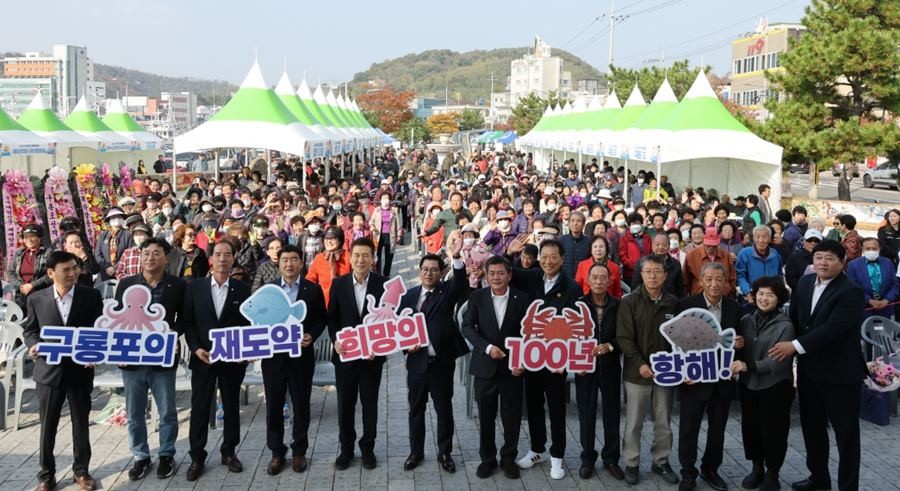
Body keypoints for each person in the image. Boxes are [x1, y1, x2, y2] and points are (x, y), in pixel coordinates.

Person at [769, 240, 865, 491]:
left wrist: (795, 346)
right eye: (819, 257)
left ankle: (848, 486)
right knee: (813, 430)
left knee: (846, 436)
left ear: (843, 261)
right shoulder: (805, 282)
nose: (823, 262)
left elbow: (834, 329)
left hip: (841, 376)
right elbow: (797, 320)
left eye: (830, 258)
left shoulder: (851, 291)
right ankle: (819, 478)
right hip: (810, 372)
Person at [23, 251, 104, 491]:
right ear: (50, 273)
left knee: (81, 424)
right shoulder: (37, 299)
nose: (73, 273)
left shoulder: (90, 296)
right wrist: (33, 345)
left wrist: (95, 354)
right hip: (48, 371)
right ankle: (46, 475)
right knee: (48, 426)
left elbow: (99, 329)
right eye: (66, 270)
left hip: (80, 370)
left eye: (75, 268)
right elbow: (30, 330)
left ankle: (82, 471)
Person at [505, 238, 581, 480]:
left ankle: (557, 456)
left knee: (557, 408)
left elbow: (575, 326)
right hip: (532, 355)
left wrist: (566, 360)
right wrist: (509, 254)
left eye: (553, 257)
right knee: (534, 405)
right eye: (544, 257)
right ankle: (537, 449)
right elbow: (508, 274)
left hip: (556, 359)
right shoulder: (532, 277)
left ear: (561, 258)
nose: (548, 261)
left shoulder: (571, 287)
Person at [116, 238, 186, 481]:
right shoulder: (126, 285)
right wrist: (118, 352)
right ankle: (140, 456)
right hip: (132, 359)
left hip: (161, 358)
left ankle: (166, 454)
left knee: (167, 410)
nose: (150, 257)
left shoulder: (177, 285)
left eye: (156, 253)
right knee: (134, 412)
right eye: (146, 253)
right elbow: (117, 319)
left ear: (166, 258)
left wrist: (167, 334)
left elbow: (184, 319)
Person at [182, 240, 252, 481]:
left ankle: (229, 451)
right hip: (204, 358)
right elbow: (188, 322)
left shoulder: (242, 289)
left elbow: (247, 325)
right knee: (200, 407)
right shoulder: (194, 287)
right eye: (218, 254)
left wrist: (245, 352)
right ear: (210, 259)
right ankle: (197, 456)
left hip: (232, 360)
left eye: (228, 255)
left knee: (231, 406)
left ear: (234, 259)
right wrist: (195, 348)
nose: (223, 259)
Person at [398, 240, 469, 473]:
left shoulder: (446, 292)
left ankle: (445, 452)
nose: (429, 273)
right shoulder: (408, 297)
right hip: (416, 364)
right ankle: (415, 451)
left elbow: (460, 283)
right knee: (415, 410)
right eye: (425, 269)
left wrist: (456, 258)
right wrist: (407, 348)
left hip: (441, 364)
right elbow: (398, 329)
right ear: (419, 272)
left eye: (434, 270)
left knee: (443, 409)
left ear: (441, 273)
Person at [461, 256, 530, 480]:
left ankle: (509, 458)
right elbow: (468, 327)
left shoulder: (523, 299)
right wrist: (487, 347)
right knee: (486, 416)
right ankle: (487, 459)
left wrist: (523, 361)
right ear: (486, 275)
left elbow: (531, 334)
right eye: (492, 274)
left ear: (509, 275)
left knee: (511, 416)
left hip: (513, 368)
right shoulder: (477, 297)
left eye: (501, 273)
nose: (497, 277)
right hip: (485, 366)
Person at [676, 263, 742, 491]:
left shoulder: (734, 308)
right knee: (688, 429)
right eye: (709, 279)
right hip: (693, 381)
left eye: (719, 280)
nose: (714, 284)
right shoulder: (686, 306)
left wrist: (739, 345)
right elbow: (675, 343)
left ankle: (710, 468)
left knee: (718, 430)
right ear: (700, 281)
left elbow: (737, 343)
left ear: (726, 283)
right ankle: (687, 472)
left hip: (722, 382)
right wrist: (682, 372)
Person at [263, 245, 327, 475]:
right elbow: (257, 321)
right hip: (273, 360)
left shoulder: (312, 289)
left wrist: (312, 334)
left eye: (293, 260)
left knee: (300, 405)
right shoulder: (268, 290)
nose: (289, 264)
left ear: (301, 263)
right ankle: (276, 453)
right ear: (278, 263)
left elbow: (321, 318)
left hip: (301, 358)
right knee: (273, 406)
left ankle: (299, 451)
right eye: (284, 260)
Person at [616, 255, 680, 486]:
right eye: (648, 272)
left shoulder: (673, 302)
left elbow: (681, 338)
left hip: (666, 373)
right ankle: (632, 462)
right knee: (634, 421)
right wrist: (640, 364)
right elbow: (624, 337)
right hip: (637, 373)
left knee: (663, 420)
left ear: (665, 275)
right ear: (641, 274)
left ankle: (661, 460)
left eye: (657, 272)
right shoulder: (630, 301)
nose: (653, 276)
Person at [327, 238, 387, 471]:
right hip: (346, 357)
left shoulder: (383, 284)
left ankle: (368, 449)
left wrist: (380, 346)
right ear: (350, 258)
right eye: (357, 255)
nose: (361, 260)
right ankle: (346, 450)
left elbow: (389, 321)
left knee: (370, 404)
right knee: (345, 404)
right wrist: (335, 340)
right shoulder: (339, 284)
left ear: (373, 259)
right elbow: (332, 318)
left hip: (372, 358)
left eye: (366, 255)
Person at [731, 276, 795, 491]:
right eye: (760, 294)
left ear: (779, 298)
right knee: (751, 428)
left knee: (774, 430)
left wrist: (748, 366)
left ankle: (773, 472)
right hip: (749, 385)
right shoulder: (746, 320)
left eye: (770, 295)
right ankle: (756, 467)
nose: (764, 298)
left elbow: (777, 361)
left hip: (775, 385)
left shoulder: (785, 325)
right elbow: (738, 349)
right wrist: (737, 345)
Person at [574, 262, 625, 480]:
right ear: (587, 280)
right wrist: (576, 362)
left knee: (612, 414)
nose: (598, 281)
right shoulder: (577, 306)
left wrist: (611, 346)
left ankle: (611, 459)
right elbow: (570, 336)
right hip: (585, 368)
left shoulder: (618, 305)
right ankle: (587, 458)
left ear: (610, 280)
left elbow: (626, 335)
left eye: (603, 277)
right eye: (594, 277)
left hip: (611, 366)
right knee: (586, 414)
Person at [846, 237, 899, 319]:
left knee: (886, 331)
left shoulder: (888, 262)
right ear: (862, 249)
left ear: (879, 249)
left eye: (874, 248)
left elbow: (895, 285)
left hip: (886, 308)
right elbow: (852, 287)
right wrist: (869, 300)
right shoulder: (853, 265)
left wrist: (887, 300)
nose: (871, 251)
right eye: (868, 248)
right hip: (864, 309)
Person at [7, 224, 52, 311]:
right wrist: (22, 286)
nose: (29, 240)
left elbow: (51, 274)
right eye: (26, 237)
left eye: (32, 236)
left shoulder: (48, 253)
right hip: (21, 294)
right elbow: (10, 272)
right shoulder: (19, 253)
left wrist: (32, 285)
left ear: (39, 238)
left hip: (40, 293)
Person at [736, 225, 783, 304]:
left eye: (764, 237)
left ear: (770, 238)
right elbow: (740, 276)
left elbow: (779, 276)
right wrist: (747, 292)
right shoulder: (744, 253)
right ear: (753, 238)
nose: (761, 240)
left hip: (770, 298)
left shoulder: (775, 254)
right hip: (751, 297)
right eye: (757, 237)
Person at [683, 229, 736, 298]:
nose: (711, 248)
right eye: (708, 245)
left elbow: (732, 278)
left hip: (722, 295)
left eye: (714, 246)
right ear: (704, 242)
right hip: (699, 295)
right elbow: (685, 279)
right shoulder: (691, 255)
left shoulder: (726, 255)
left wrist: (729, 291)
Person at [305, 228, 350, 306]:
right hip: (324, 303)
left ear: (340, 240)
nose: (329, 241)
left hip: (346, 302)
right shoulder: (319, 258)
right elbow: (310, 280)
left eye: (333, 238)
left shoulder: (349, 256)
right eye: (327, 238)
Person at [95, 207, 135, 280]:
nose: (116, 219)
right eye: (113, 217)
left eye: (119, 217)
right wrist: (107, 267)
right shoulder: (103, 235)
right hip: (105, 272)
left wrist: (115, 268)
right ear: (109, 220)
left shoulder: (128, 234)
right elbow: (98, 254)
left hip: (123, 271)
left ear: (122, 219)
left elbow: (130, 253)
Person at [369, 192, 402, 277]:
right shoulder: (377, 210)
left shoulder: (394, 210)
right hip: (378, 235)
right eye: (383, 198)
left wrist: (399, 234)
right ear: (380, 200)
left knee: (389, 256)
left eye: (387, 198)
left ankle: (386, 274)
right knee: (377, 255)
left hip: (390, 235)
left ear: (390, 200)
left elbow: (398, 223)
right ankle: (377, 273)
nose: (385, 200)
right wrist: (372, 226)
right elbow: (371, 221)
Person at [619, 213, 652, 285]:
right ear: (629, 225)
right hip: (630, 274)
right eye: (633, 223)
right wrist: (634, 266)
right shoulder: (625, 238)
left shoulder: (647, 238)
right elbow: (623, 256)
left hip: (646, 272)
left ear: (641, 224)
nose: (635, 225)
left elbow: (650, 253)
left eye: (637, 223)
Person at [559, 211, 592, 279]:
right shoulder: (561, 240)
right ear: (568, 223)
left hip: (582, 279)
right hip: (564, 279)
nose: (575, 224)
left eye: (579, 221)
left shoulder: (589, 241)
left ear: (583, 224)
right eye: (572, 221)